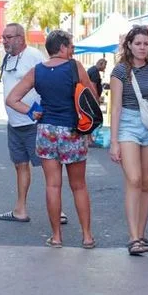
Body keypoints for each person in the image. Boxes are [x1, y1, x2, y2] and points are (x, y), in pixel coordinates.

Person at [6, 30, 96, 249]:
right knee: (79, 186)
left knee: (53, 185)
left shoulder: (37, 71)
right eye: (71, 46)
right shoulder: (75, 67)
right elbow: (91, 95)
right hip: (73, 130)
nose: (72, 50)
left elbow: (12, 99)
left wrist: (31, 112)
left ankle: (56, 236)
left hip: (46, 130)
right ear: (63, 47)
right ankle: (87, 236)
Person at [108, 26, 148, 256]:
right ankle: (133, 236)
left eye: (146, 44)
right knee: (133, 179)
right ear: (129, 45)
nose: (142, 48)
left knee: (147, 183)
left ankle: (141, 235)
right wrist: (114, 141)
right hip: (129, 124)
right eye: (138, 44)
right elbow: (115, 108)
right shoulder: (120, 71)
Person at [0, 22, 47, 223]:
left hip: (34, 125)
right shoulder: (7, 58)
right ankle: (20, 209)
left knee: (48, 167)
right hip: (14, 124)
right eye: (3, 37)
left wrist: (40, 111)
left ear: (20, 37)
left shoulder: (34, 56)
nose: (4, 41)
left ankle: (58, 210)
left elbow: (47, 82)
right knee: (20, 166)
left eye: (8, 37)